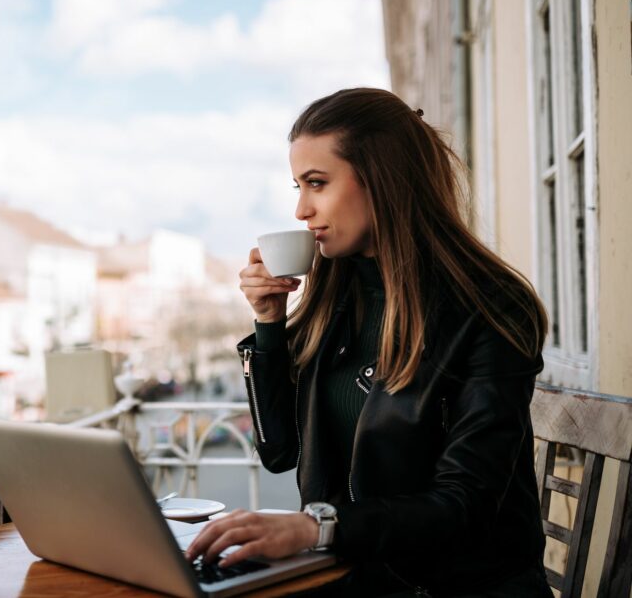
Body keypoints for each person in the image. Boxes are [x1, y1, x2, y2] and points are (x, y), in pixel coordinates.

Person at [185, 88, 552, 597]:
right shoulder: (339, 299)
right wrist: (269, 326)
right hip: (350, 575)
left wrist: (316, 528)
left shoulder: (489, 307)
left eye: (317, 183)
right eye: (298, 186)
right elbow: (278, 451)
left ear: (383, 180)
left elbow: (464, 503)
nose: (300, 210)